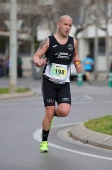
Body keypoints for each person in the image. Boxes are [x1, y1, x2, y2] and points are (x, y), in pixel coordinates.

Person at [33, 15, 82, 152]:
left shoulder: (73, 42)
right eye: (65, 24)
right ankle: (44, 142)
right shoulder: (49, 40)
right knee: (48, 111)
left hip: (63, 83)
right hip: (49, 81)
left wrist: (77, 64)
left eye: (70, 25)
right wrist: (38, 62)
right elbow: (36, 55)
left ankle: (51, 116)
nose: (68, 28)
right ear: (59, 24)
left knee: (64, 111)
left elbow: (76, 56)